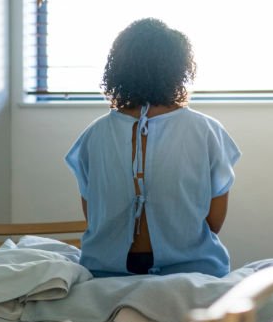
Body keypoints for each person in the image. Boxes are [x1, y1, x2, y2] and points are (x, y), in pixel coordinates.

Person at [64, 18, 240, 277]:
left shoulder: (93, 136)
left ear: (118, 70)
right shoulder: (207, 131)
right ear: (178, 70)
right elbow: (213, 223)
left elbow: (94, 219)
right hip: (191, 273)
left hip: (106, 274)